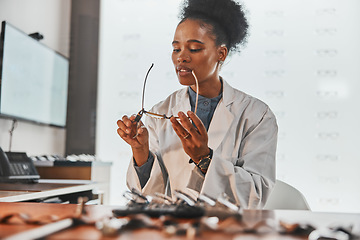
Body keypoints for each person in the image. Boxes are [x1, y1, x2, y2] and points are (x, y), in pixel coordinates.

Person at [117, 0, 278, 209]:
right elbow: (149, 197)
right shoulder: (160, 112)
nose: (181, 57)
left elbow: (256, 193)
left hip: (229, 229)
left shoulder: (256, 115)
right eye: (176, 49)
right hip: (176, 229)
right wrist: (140, 151)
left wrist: (204, 158)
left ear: (221, 53)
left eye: (193, 48)